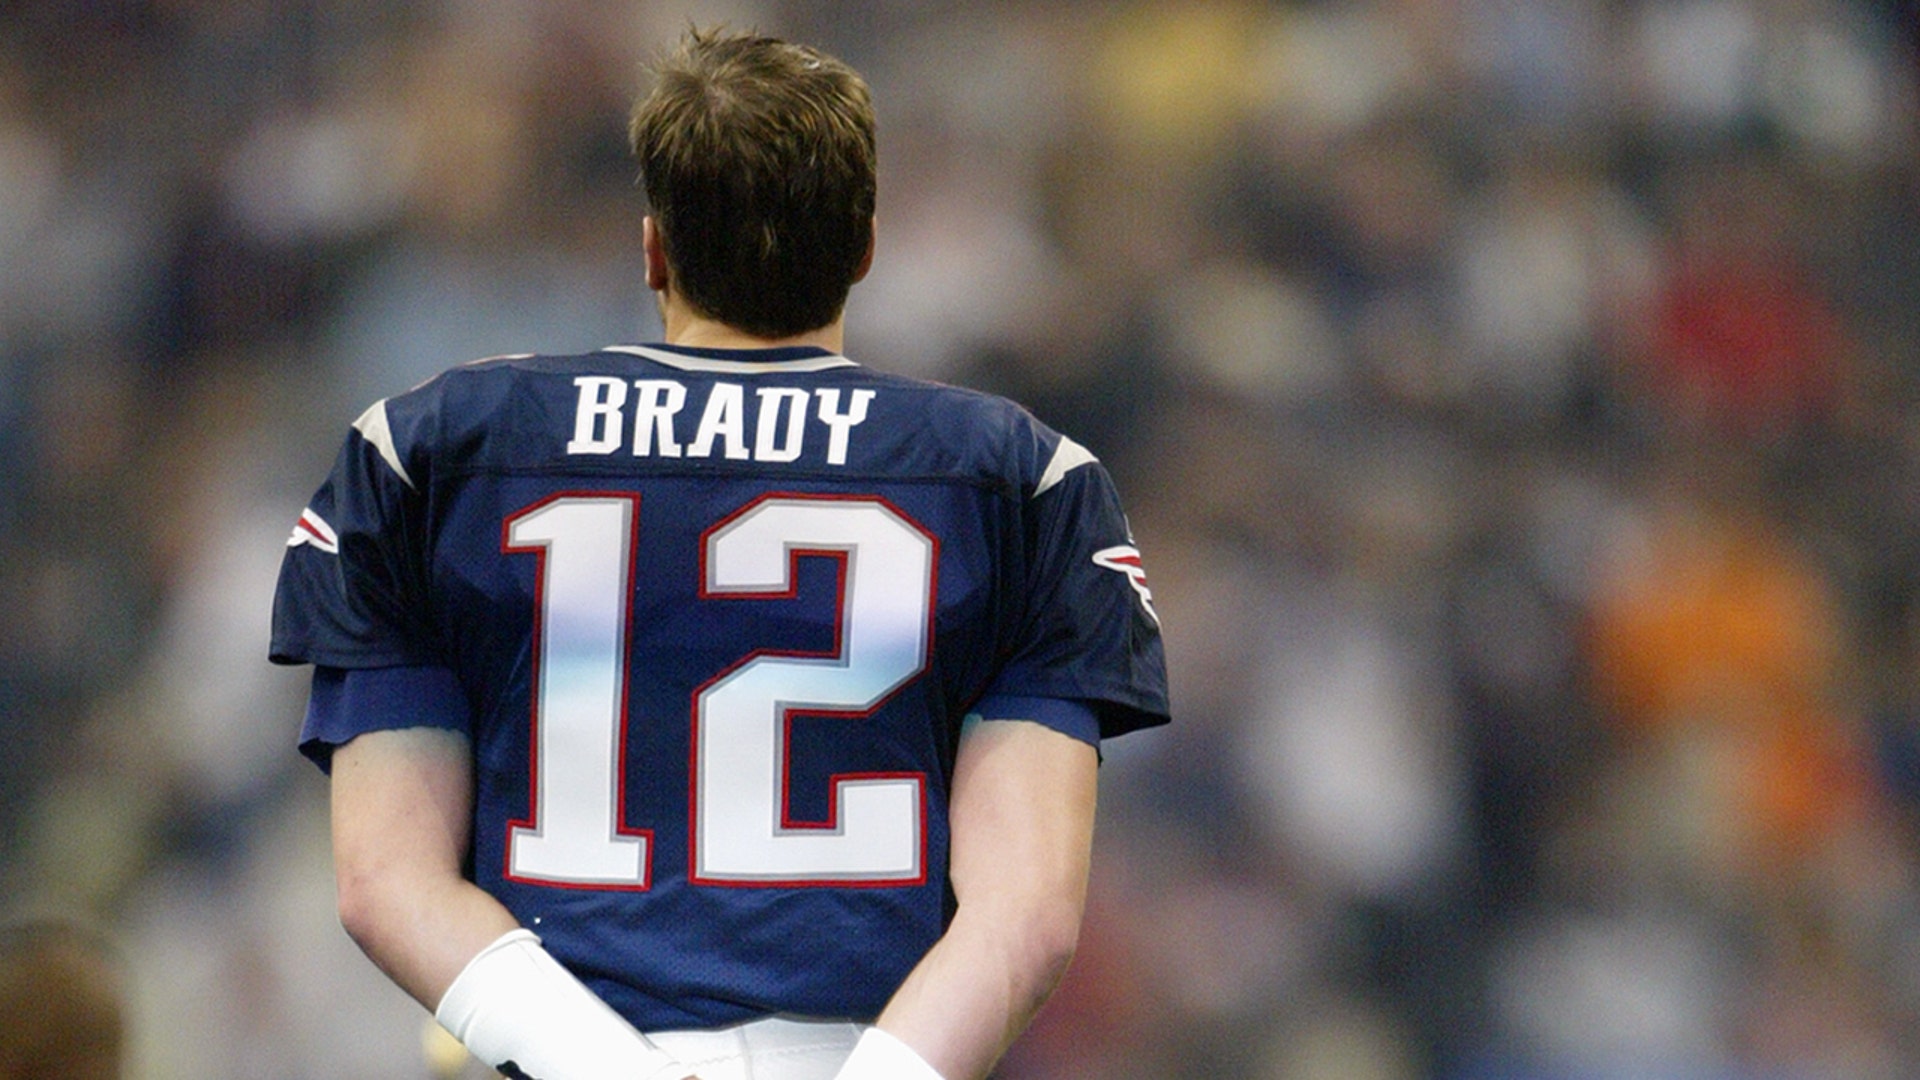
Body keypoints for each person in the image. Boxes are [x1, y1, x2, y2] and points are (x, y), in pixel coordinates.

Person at [270, 26, 1169, 1080]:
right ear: (865, 245)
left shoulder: (435, 451)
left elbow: (384, 882)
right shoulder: (1023, 478)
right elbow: (1026, 921)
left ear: (653, 247)